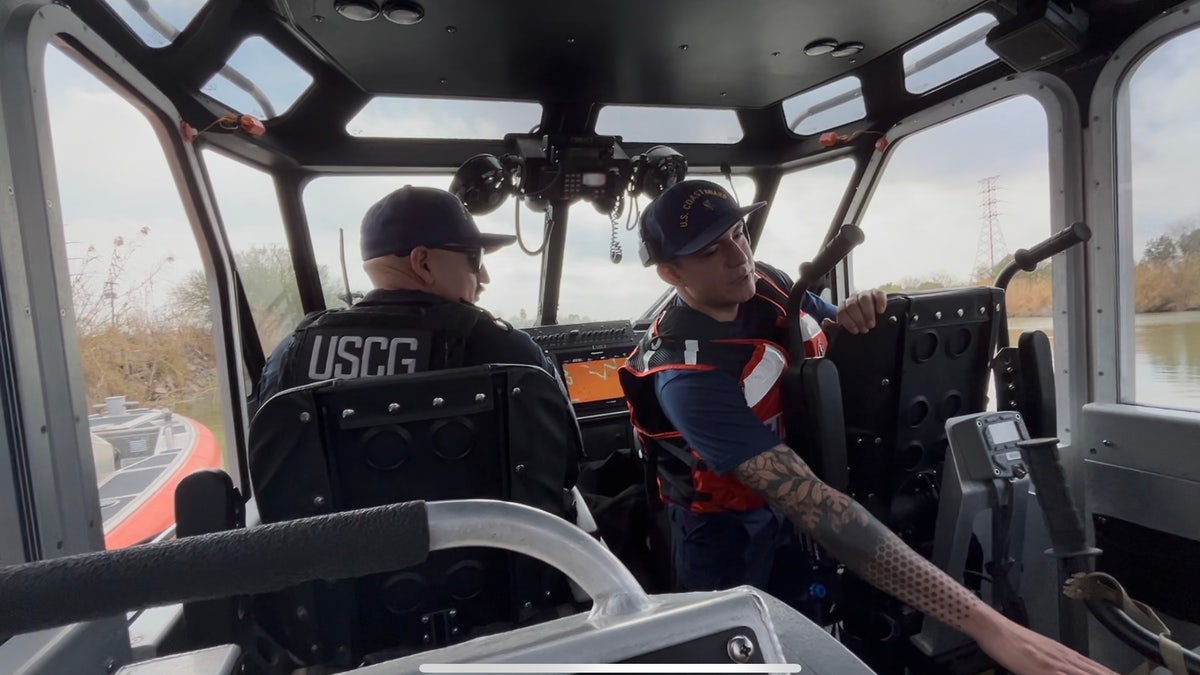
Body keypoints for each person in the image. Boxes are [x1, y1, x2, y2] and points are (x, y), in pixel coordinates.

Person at [619, 179, 1115, 675]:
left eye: (740, 233)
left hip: (790, 505)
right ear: (670, 272)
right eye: (711, 250)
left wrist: (859, 315)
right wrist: (989, 626)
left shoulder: (766, 284)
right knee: (733, 648)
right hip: (724, 528)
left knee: (803, 627)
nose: (738, 256)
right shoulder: (687, 377)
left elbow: (839, 336)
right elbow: (813, 502)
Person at [253, 185, 558, 405]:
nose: (483, 277)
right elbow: (563, 465)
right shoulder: (512, 355)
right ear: (422, 262)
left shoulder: (290, 357)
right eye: (474, 259)